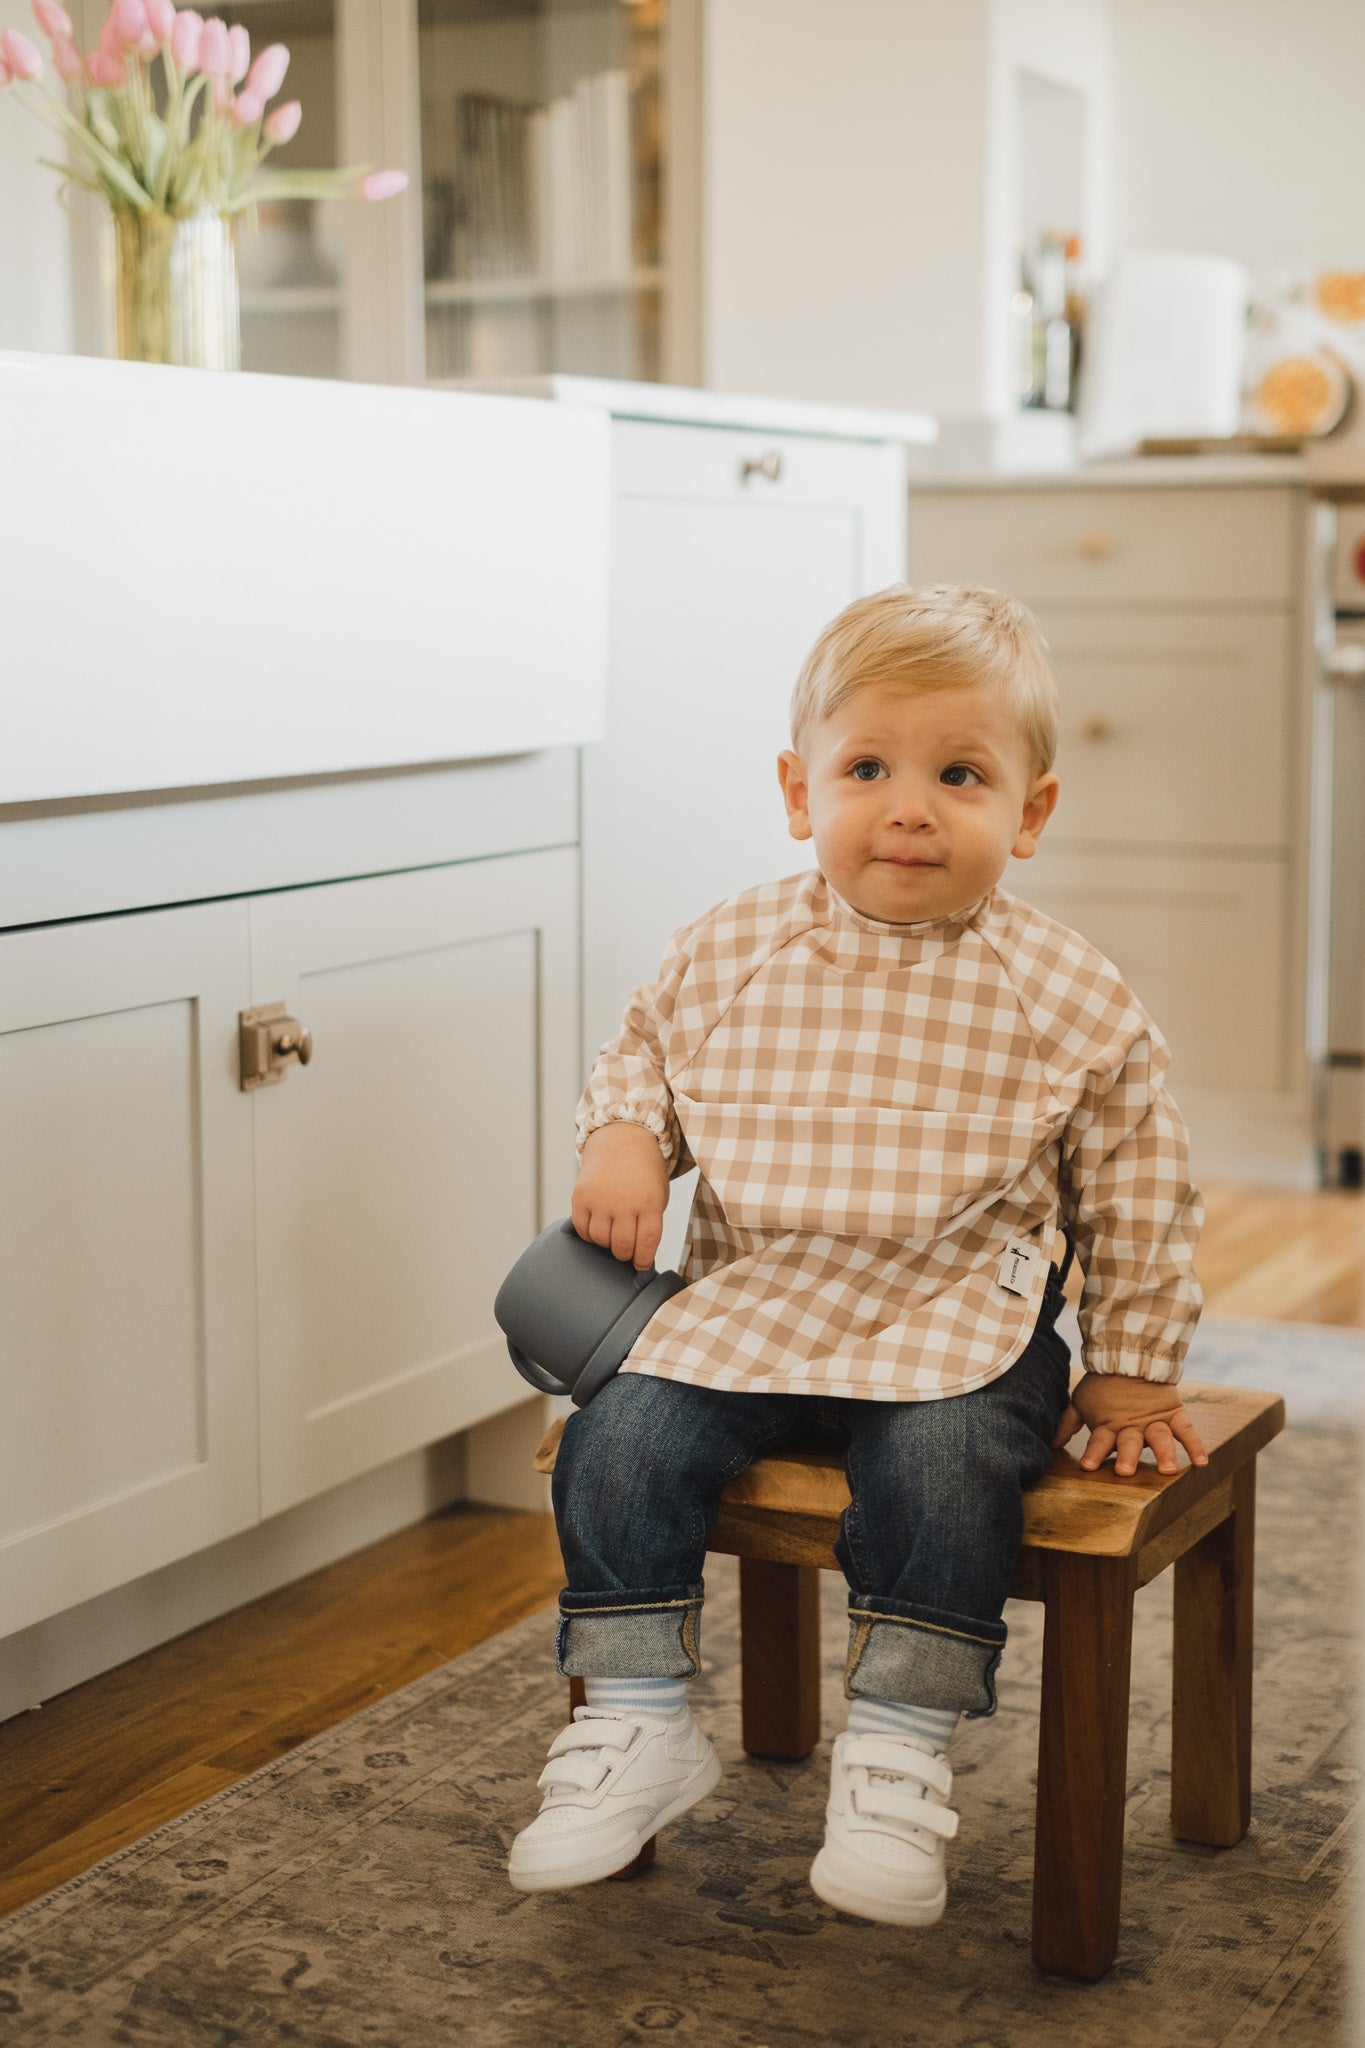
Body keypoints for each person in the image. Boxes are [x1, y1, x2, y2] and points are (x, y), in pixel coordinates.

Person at [507, 582, 1206, 1926]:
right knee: (620, 1440)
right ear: (797, 788)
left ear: (1030, 812)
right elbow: (641, 1053)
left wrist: (1127, 1371)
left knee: (944, 1472)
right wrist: (623, 1139)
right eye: (866, 769)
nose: (908, 807)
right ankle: (639, 1718)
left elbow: (1138, 1186)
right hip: (751, 1303)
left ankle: (896, 1746)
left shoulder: (1060, 989)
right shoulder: (730, 951)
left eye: (959, 774)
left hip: (954, 1319)